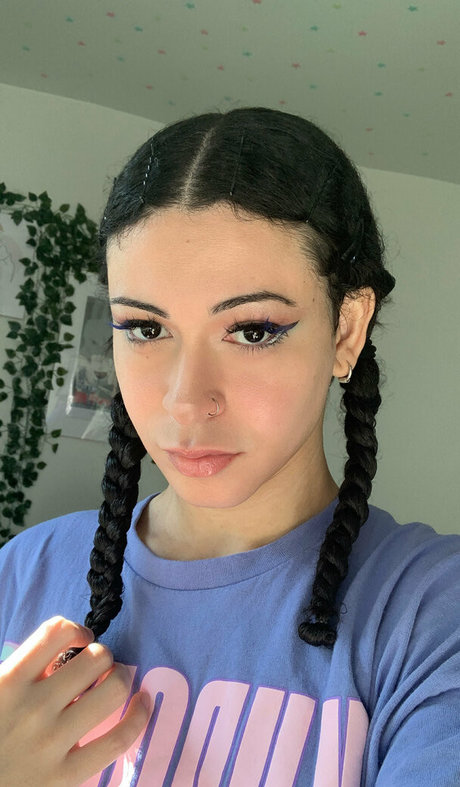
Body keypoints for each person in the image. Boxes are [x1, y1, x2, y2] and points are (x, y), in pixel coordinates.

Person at [0, 107, 459, 786]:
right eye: (146, 328)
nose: (186, 400)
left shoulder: (430, 613)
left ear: (346, 330)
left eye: (252, 331)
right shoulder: (22, 572)